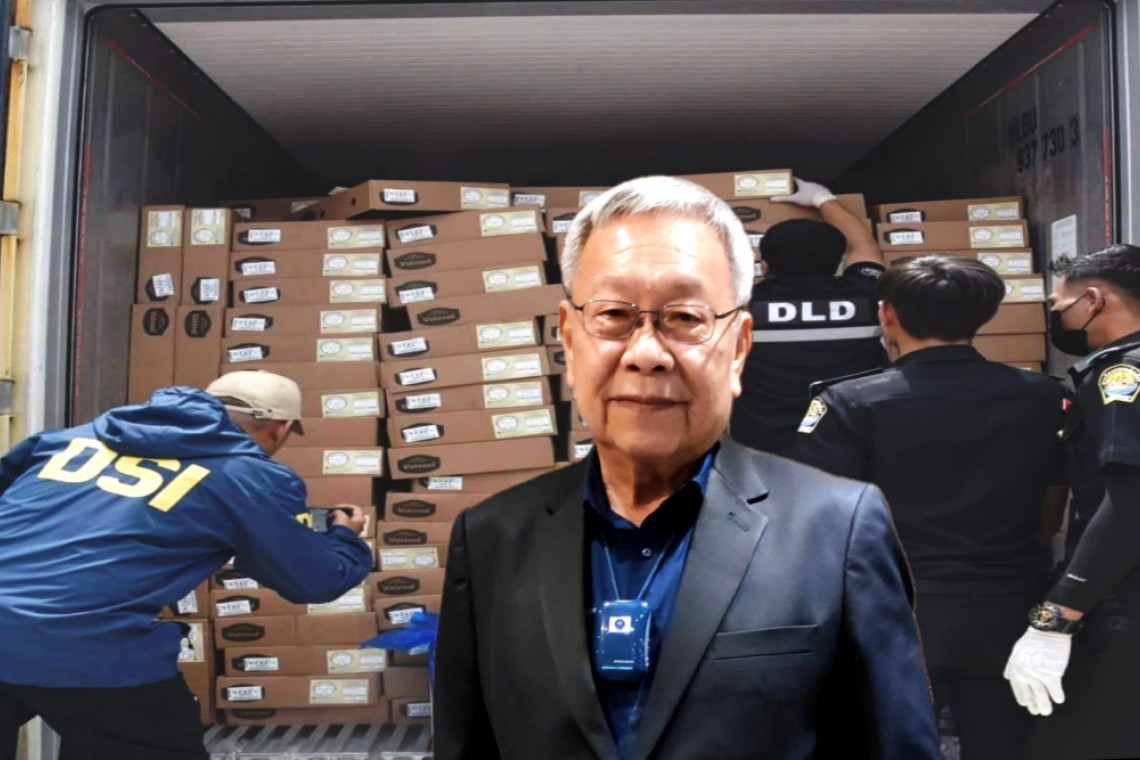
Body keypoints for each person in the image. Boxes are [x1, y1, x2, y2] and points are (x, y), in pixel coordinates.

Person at [433, 176, 940, 760]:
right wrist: (827, 200)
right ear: (568, 341)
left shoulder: (839, 528)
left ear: (739, 348)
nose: (647, 353)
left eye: (685, 317)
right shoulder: (492, 535)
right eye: (613, 314)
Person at [0, 371, 373, 760]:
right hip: (88, 645)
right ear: (279, 429)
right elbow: (315, 581)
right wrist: (345, 537)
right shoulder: (248, 477)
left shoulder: (64, 441)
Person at [790, 255, 1069, 760]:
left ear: (887, 314)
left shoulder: (849, 402)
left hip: (893, 607)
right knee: (1003, 745)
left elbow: (819, 520)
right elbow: (1052, 510)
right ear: (986, 315)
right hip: (1011, 604)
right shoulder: (1044, 396)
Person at [1004, 244, 1140, 759]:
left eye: (1059, 307)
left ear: (1094, 300)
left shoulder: (1121, 376)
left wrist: (1057, 617)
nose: (1056, 317)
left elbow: (1130, 503)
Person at [731, 178, 889, 456]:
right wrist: (822, 199)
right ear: (839, 263)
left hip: (766, 447)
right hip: (850, 442)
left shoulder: (741, 307)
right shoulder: (865, 296)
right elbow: (864, 247)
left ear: (764, 266)